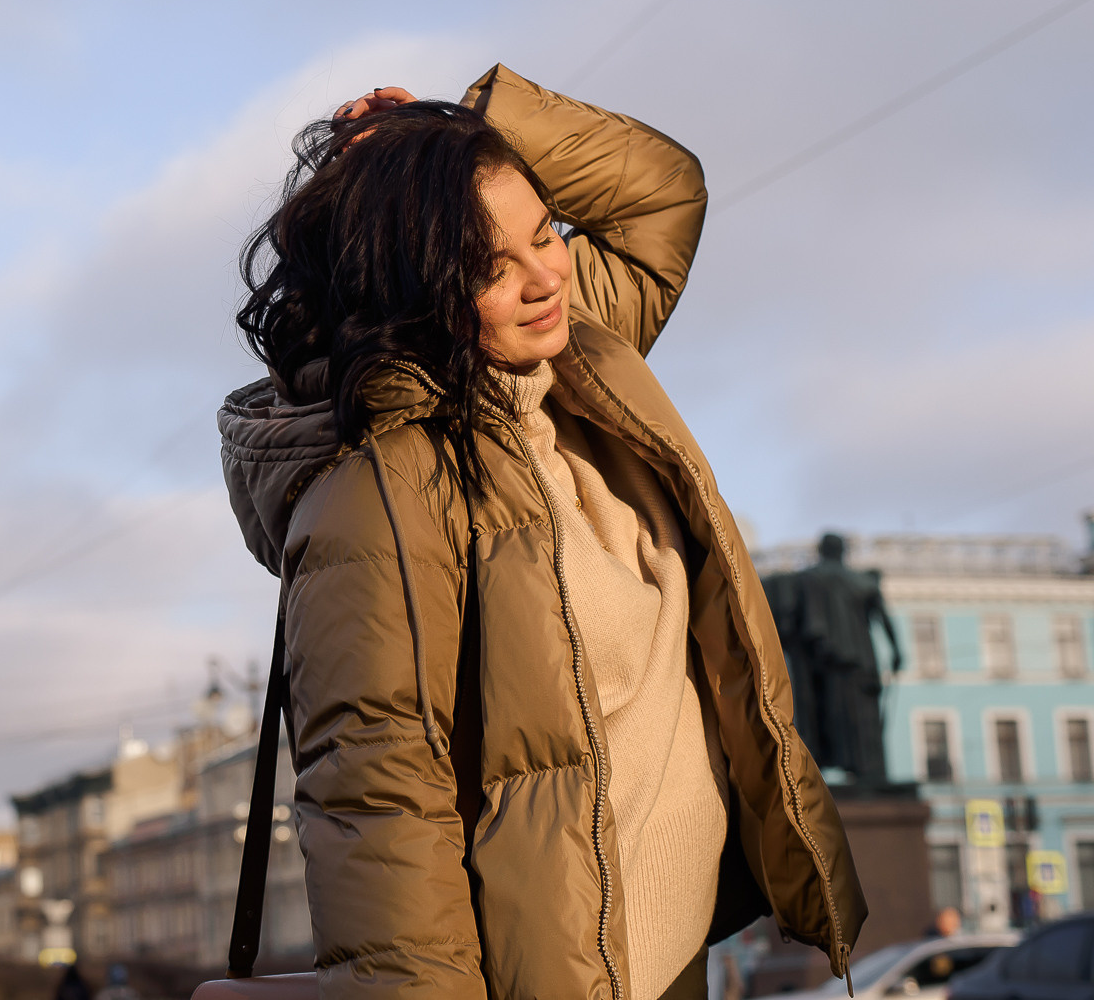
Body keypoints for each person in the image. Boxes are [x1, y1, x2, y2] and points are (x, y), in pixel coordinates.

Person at [219, 67, 866, 1000]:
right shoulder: (382, 490)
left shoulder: (576, 365)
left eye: (546, 231)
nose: (546, 276)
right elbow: (384, 809)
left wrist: (462, 127)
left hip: (672, 955)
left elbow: (660, 194)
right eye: (490, 265)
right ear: (417, 287)